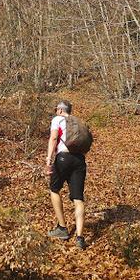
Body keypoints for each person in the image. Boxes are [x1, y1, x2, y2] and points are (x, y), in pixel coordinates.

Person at [45, 100, 87, 250]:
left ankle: (62, 228)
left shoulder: (58, 119)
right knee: (78, 198)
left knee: (54, 189)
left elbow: (54, 138)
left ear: (61, 110)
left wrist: (49, 159)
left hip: (63, 158)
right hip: (80, 160)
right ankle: (80, 238)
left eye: (57, 109)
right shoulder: (78, 122)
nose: (56, 111)